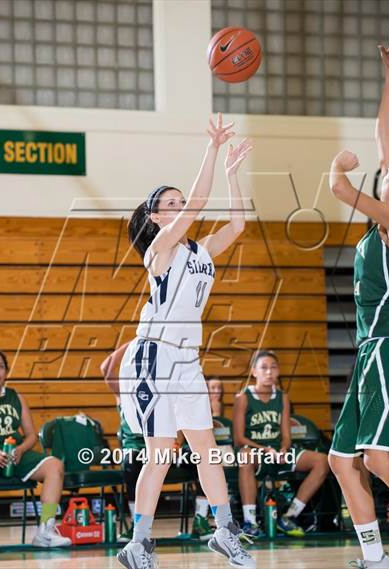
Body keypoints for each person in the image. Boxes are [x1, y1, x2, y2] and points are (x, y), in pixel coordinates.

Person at [113, 114, 255, 569]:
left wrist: (233, 176)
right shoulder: (159, 250)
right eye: (170, 204)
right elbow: (197, 204)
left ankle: (224, 532)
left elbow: (237, 227)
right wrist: (212, 150)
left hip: (187, 361)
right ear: (156, 218)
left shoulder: (198, 250)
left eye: (180, 202)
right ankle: (138, 543)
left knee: (207, 450)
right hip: (154, 357)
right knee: (160, 454)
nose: (181, 208)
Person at [327, 29, 389, 569]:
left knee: (374, 456)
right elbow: (386, 136)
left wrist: (338, 168)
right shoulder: (381, 224)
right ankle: (375, 557)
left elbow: (341, 192)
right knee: (341, 459)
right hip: (370, 352)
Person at [101, 344, 214, 542]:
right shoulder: (125, 393)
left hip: (165, 448)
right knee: (131, 461)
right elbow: (105, 370)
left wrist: (176, 445)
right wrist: (132, 343)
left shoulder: (164, 391)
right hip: (137, 450)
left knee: (202, 457)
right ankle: (138, 526)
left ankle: (200, 519)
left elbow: (181, 425)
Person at [0, 349, 71, 551]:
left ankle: (46, 531)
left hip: (16, 454)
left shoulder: (15, 397)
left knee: (55, 465)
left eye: (1, 366)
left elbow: (30, 435)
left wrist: (20, 449)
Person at [233, 350, 329, 538]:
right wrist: (266, 449)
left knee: (323, 461)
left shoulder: (282, 396)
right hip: (254, 450)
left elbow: (286, 434)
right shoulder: (243, 397)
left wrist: (284, 449)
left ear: (278, 372)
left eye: (273, 367)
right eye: (264, 368)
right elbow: (238, 438)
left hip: (278, 451)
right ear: (254, 372)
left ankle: (288, 517)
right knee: (245, 456)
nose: (269, 372)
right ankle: (250, 522)